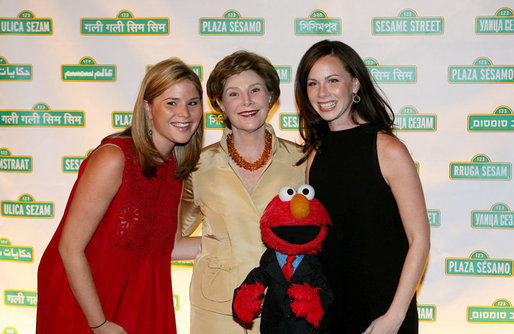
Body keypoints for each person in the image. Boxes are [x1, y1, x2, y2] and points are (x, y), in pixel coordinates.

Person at [36, 58, 203, 334]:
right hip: (86, 298)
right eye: (171, 102)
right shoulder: (114, 157)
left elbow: (166, 248)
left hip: (138, 293)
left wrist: (234, 240)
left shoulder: (174, 168)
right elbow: (69, 248)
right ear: (148, 109)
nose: (184, 113)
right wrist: (99, 324)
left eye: (192, 103)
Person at [295, 40, 430, 334]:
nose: (322, 92)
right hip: (332, 311)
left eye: (333, 80)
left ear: (355, 84)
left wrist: (394, 316)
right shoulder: (315, 156)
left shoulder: (387, 149)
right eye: (312, 83)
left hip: (384, 310)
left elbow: (419, 239)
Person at [179, 50, 306, 333]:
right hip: (216, 306)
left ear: (271, 96)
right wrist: (220, 245)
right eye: (234, 94)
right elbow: (172, 240)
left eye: (255, 90)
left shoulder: (301, 160)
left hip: (283, 302)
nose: (246, 101)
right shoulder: (198, 166)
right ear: (219, 104)